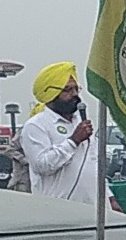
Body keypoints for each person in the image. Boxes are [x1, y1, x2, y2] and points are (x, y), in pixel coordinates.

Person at [19, 62, 100, 204]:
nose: (74, 94)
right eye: (67, 90)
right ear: (50, 93)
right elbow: (42, 166)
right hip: (58, 210)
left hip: (92, 207)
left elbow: (93, 164)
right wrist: (73, 141)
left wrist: (108, 196)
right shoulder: (36, 125)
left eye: (76, 89)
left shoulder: (81, 122)